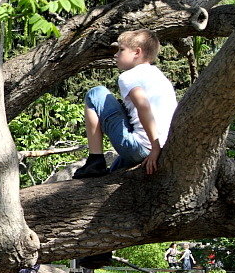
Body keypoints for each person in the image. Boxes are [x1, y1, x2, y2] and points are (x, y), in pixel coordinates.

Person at [74, 29, 177, 178]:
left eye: (121, 50)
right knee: (115, 169)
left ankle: (95, 160)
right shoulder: (159, 76)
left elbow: (143, 106)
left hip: (145, 147)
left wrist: (154, 148)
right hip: (165, 145)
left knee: (95, 93)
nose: (115, 54)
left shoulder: (129, 77)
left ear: (137, 52)